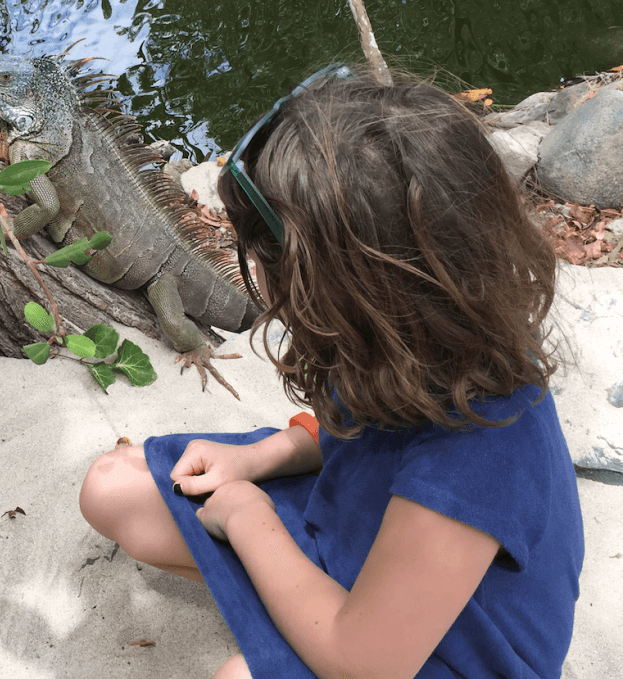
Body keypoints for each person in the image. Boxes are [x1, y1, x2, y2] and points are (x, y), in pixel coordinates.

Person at [78, 66, 584, 679]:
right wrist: (266, 458)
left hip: (451, 649)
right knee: (111, 486)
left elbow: (363, 662)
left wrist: (246, 515)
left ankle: (290, 619)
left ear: (346, 286)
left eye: (267, 255)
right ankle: (295, 611)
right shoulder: (401, 328)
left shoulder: (483, 455)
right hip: (353, 529)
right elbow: (359, 434)